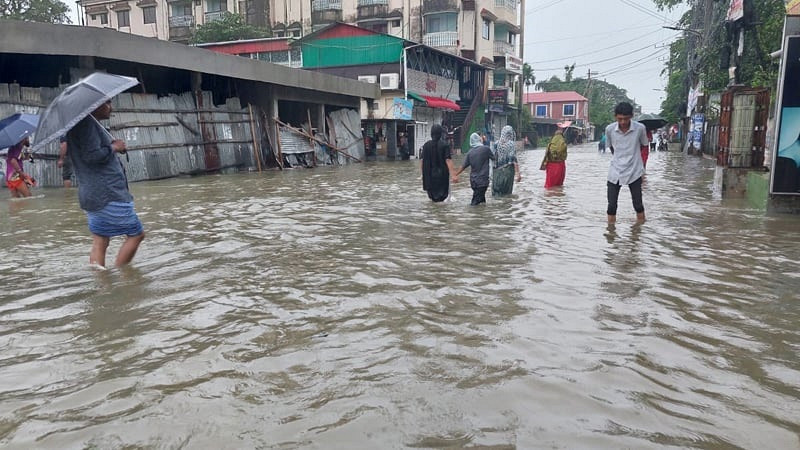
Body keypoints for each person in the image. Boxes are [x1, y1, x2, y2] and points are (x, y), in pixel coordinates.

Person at [67, 100, 145, 268]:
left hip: (93, 194)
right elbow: (92, 156)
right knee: (136, 235)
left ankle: (102, 284)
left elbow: (91, 152)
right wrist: (114, 148)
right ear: (94, 105)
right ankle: (124, 275)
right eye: (107, 103)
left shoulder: (83, 125)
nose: (111, 107)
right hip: (107, 194)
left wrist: (111, 146)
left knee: (100, 241)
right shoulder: (87, 124)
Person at [606, 102, 649, 224]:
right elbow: (612, 148)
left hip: (634, 170)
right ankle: (611, 232)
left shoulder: (640, 128)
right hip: (615, 171)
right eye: (620, 119)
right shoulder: (610, 129)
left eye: (626, 119)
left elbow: (644, 146)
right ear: (615, 117)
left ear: (631, 116)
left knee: (638, 204)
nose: (623, 122)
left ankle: (639, 229)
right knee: (611, 206)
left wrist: (641, 165)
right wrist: (620, 158)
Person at [452, 132, 495, 205]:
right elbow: (494, 158)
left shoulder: (470, 152)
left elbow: (463, 166)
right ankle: (471, 215)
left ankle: (480, 215)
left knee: (481, 201)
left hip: (473, 182)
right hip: (483, 182)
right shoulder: (486, 149)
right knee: (474, 204)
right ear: (478, 139)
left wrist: (455, 174)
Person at [420, 124, 454, 202]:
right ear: (441, 133)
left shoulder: (426, 145)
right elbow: (448, 160)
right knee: (441, 200)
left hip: (429, 177)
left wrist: (423, 174)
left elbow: (422, 161)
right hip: (442, 177)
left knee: (433, 200)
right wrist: (453, 175)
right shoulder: (445, 145)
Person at [492, 125, 521, 197]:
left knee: (496, 194)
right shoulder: (511, 144)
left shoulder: (496, 144)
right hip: (508, 172)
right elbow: (514, 159)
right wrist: (518, 173)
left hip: (497, 172)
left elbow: (493, 159)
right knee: (507, 194)